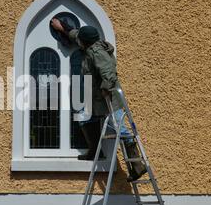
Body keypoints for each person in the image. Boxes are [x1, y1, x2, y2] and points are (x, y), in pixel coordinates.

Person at [51, 18, 147, 182]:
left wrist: (105, 89)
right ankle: (95, 150)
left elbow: (109, 72)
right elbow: (76, 35)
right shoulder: (89, 44)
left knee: (120, 129)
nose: (78, 40)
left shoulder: (97, 53)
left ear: (85, 42)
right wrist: (62, 28)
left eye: (80, 39)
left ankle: (138, 165)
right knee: (82, 116)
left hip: (108, 98)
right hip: (95, 98)